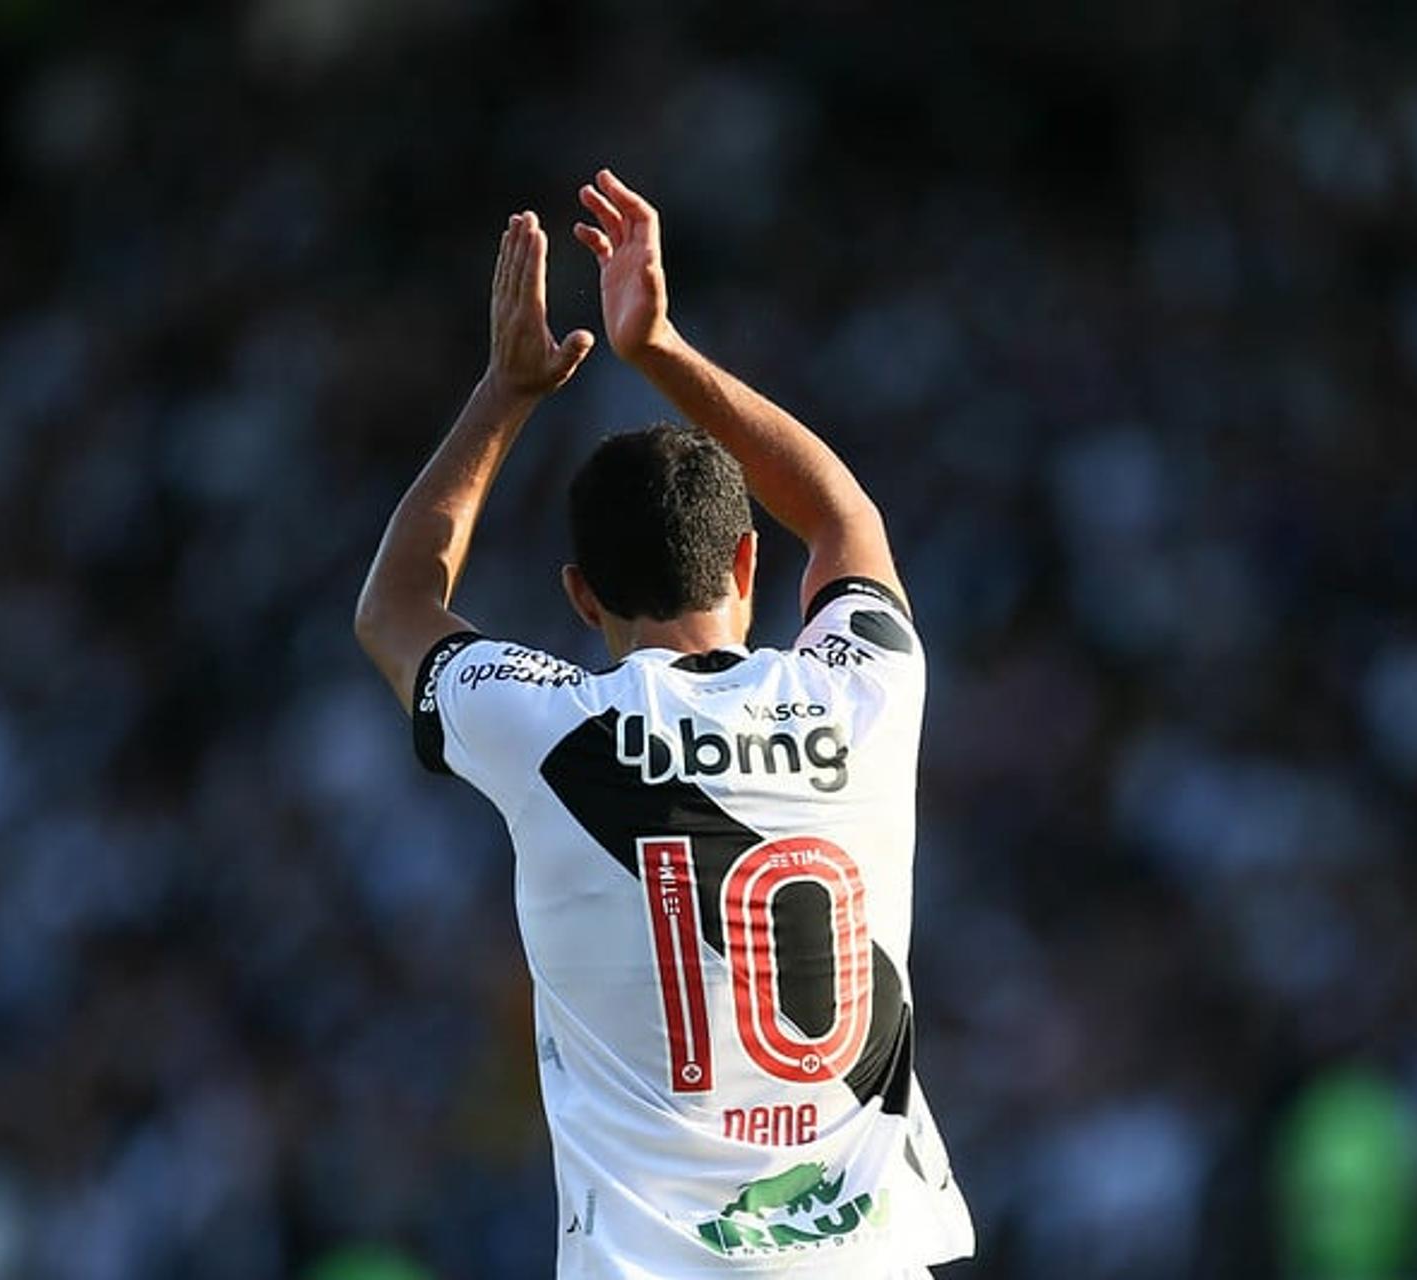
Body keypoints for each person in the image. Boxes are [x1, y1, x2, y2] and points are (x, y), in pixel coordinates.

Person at [354, 169, 974, 1279]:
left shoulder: (550, 731)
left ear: (580, 595)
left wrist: (506, 390)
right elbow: (843, 517)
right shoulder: (865, 694)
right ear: (747, 562)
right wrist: (663, 349)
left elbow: (395, 609)